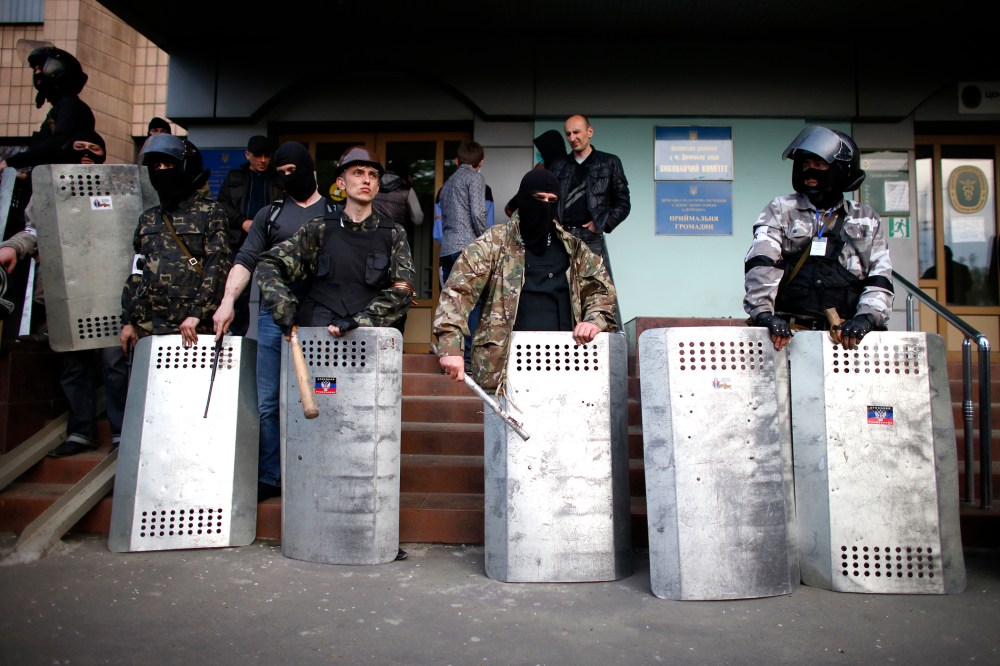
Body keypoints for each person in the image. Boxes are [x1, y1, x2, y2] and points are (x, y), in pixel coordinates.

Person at [213, 141, 333, 502]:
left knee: (323, 394)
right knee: (268, 400)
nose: (285, 178)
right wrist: (228, 300)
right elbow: (246, 258)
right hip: (271, 318)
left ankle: (317, 468)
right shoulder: (270, 214)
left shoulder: (335, 213)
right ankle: (270, 475)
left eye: (292, 171)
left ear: (309, 170)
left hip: (319, 319)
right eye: (279, 173)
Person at [0, 129, 131, 457]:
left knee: (115, 362)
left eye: (95, 148)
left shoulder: (115, 187)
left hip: (111, 291)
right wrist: (15, 247)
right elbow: (34, 228)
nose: (87, 154)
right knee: (73, 363)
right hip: (66, 291)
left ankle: (121, 432)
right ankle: (81, 431)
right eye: (79, 147)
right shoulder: (49, 189)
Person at [433, 169, 618, 392]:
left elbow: (602, 290)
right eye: (538, 199)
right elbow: (458, 291)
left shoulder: (574, 248)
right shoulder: (495, 242)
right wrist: (451, 347)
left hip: (565, 363)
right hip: (506, 368)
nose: (544, 206)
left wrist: (593, 320)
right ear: (522, 199)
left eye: (552, 201)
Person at [743, 125, 894, 352]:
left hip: (845, 339)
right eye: (805, 165)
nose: (810, 171)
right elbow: (762, 262)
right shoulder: (781, 210)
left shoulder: (865, 218)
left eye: (819, 164)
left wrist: (867, 318)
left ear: (840, 169)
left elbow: (879, 275)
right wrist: (764, 315)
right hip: (790, 337)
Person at [256, 145, 415, 339]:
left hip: (371, 338)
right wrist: (283, 307)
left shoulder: (393, 233)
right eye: (358, 172)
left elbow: (403, 290)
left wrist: (361, 321)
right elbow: (268, 263)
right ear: (341, 182)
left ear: (378, 187)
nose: (367, 179)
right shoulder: (319, 228)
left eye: (373, 175)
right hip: (320, 337)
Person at [119, 134, 232, 353]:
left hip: (190, 327)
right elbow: (137, 271)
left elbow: (217, 268)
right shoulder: (149, 218)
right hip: (148, 327)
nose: (161, 171)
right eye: (156, 166)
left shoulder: (210, 212)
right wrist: (128, 320)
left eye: (168, 164)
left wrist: (197, 313)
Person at [548, 115, 630, 279]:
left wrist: (603, 223)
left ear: (590, 131)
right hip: (562, 237)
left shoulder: (609, 162)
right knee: (561, 289)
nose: (572, 138)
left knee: (598, 292)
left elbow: (623, 203)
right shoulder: (558, 165)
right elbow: (549, 201)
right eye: (568, 134)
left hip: (591, 238)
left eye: (576, 132)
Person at [215, 135, 281, 336]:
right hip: (239, 241)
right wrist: (242, 222)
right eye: (258, 155)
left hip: (270, 242)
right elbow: (222, 205)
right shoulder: (235, 177)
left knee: (269, 294)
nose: (263, 160)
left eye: (266, 156)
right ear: (248, 155)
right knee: (238, 295)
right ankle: (235, 338)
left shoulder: (277, 178)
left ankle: (268, 340)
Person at [0, 47, 94, 176]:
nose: (37, 73)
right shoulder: (61, 107)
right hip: (55, 182)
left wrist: (10, 162)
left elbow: (57, 144)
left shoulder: (69, 105)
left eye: (40, 68)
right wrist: (27, 177)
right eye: (35, 69)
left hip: (63, 185)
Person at [437, 141, 489, 371]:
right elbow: (478, 213)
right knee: (473, 304)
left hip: (447, 249)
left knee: (451, 306)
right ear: (481, 163)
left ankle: (447, 356)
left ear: (457, 160)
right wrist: (484, 240)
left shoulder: (447, 184)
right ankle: (468, 360)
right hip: (468, 249)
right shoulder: (475, 178)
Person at [504, 129, 567, 217]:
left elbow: (509, 208)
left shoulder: (545, 176)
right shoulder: (541, 174)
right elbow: (510, 208)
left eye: (541, 152)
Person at [374, 159, 424, 250]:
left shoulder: (372, 187)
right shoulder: (407, 191)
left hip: (374, 239)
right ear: (404, 174)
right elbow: (418, 219)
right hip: (398, 242)